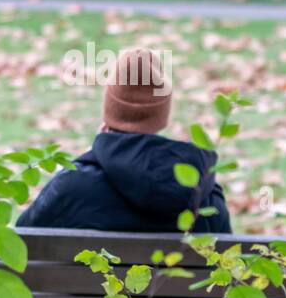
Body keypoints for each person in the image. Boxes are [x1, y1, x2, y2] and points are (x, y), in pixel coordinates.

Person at [17, 47, 231, 233]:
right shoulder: (204, 198)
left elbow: (24, 245)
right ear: (162, 117)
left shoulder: (70, 187)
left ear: (109, 111)